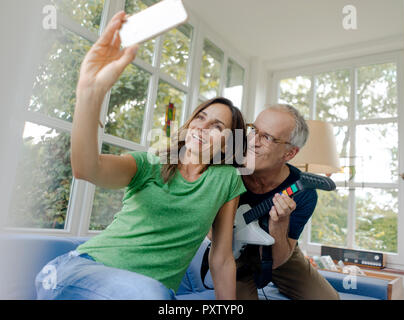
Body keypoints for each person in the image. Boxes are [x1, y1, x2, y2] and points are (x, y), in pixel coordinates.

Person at [34, 11, 247, 300]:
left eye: (217, 126)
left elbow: (221, 259)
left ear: (228, 144)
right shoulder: (150, 163)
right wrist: (90, 94)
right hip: (78, 271)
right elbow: (87, 169)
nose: (202, 127)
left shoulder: (227, 181)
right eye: (200, 117)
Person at [235, 104, 340, 300]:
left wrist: (279, 224)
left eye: (267, 137)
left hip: (277, 249)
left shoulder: (303, 192)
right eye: (253, 130)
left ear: (289, 154)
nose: (252, 142)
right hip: (230, 249)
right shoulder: (228, 169)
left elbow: (279, 260)